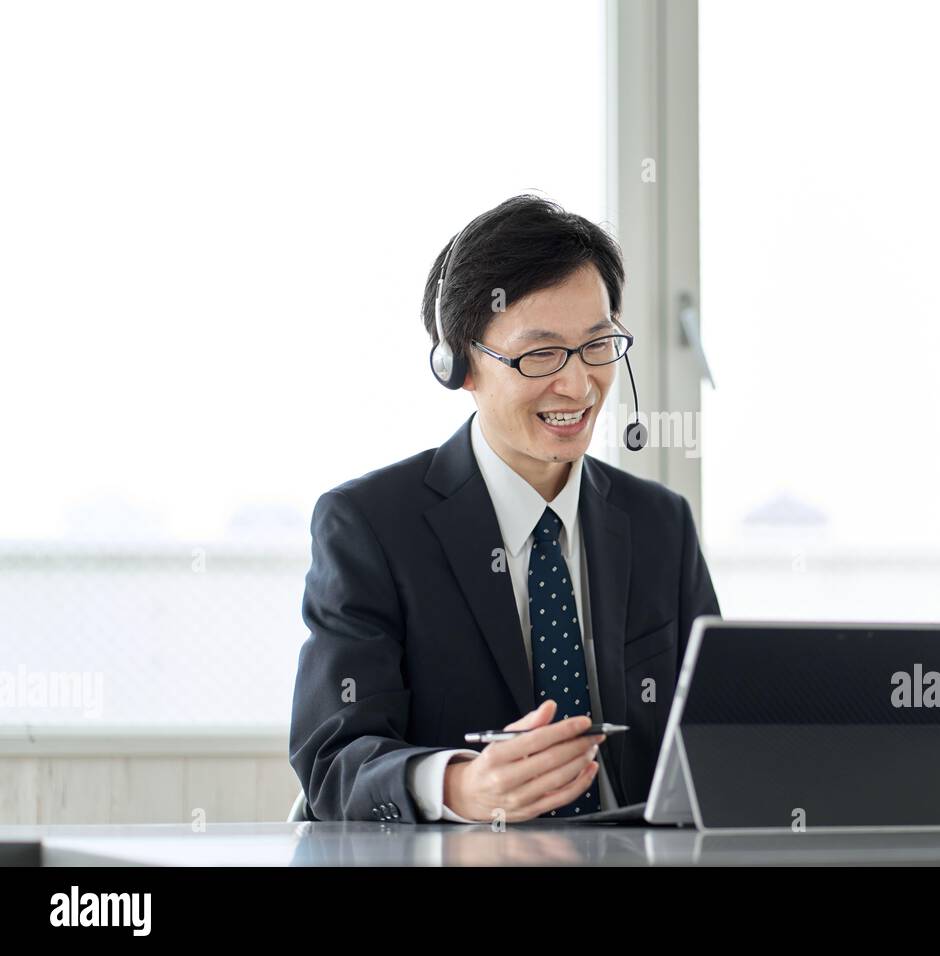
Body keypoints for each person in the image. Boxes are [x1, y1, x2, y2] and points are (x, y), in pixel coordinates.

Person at [289, 194, 720, 823]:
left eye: (598, 346)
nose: (576, 385)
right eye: (540, 355)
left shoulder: (660, 524)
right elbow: (333, 756)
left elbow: (715, 734)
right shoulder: (370, 525)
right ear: (459, 365)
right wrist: (461, 787)